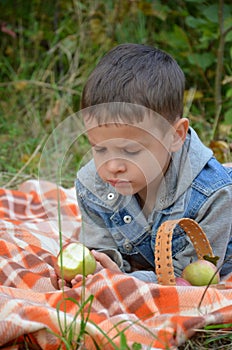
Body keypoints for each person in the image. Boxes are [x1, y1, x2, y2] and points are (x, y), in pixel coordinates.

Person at [52, 43, 232, 289]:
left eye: (130, 150)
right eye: (100, 148)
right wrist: (92, 273)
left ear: (175, 135)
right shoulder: (92, 186)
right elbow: (100, 252)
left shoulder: (214, 195)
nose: (112, 165)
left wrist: (125, 280)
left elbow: (189, 279)